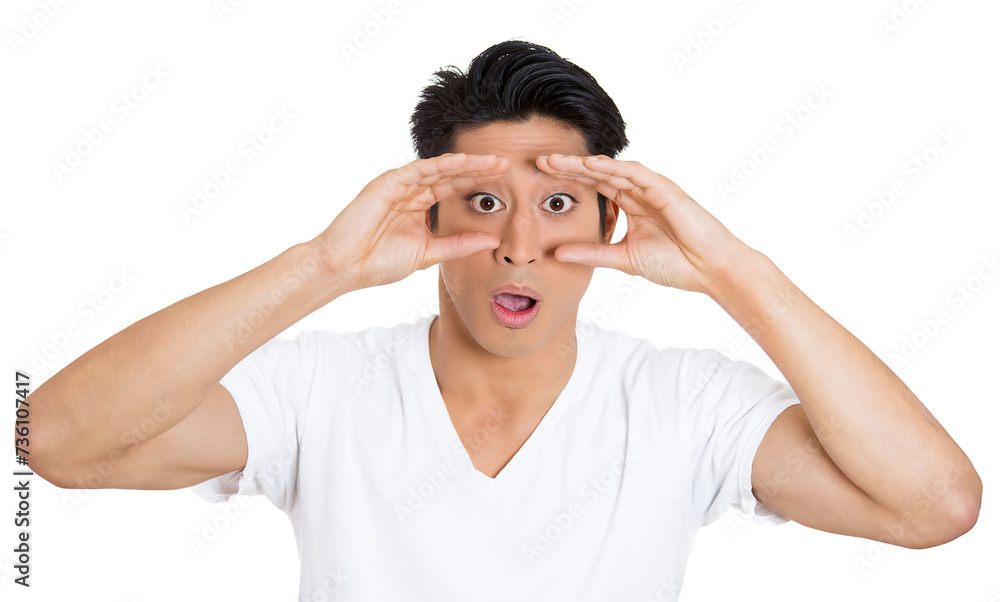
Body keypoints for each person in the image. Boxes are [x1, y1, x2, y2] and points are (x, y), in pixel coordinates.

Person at [21, 39, 981, 601]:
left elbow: (934, 505)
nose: (519, 245)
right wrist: (323, 267)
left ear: (613, 221)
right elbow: (53, 439)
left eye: (557, 204)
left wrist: (737, 275)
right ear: (427, 214)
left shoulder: (683, 404)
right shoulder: (316, 388)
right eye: (482, 202)